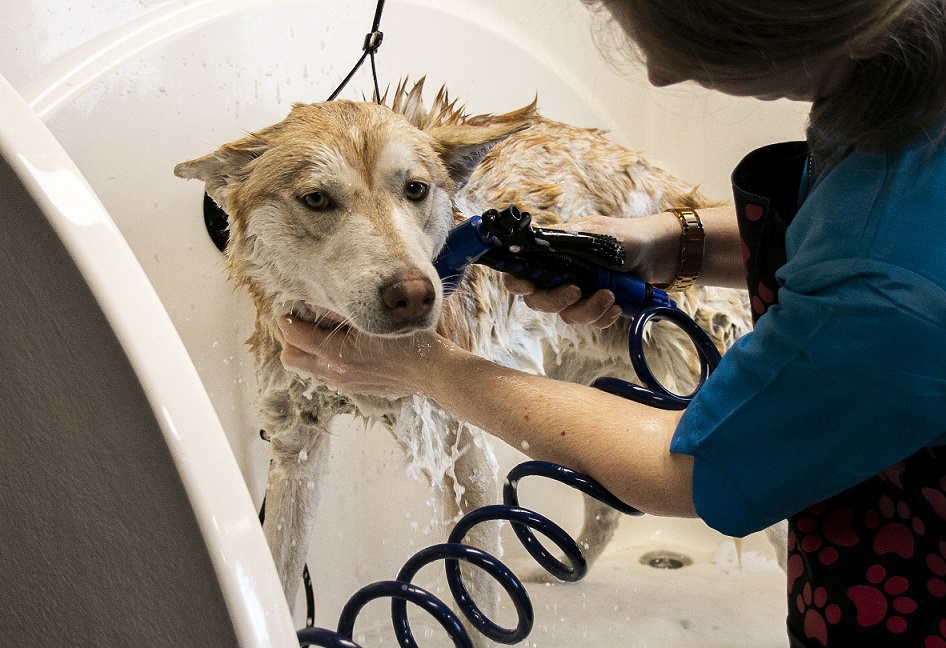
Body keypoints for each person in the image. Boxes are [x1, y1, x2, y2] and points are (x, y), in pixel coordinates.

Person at [277, 1, 946, 645]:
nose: (658, 74)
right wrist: (669, 241)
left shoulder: (886, 282)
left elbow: (690, 469)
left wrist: (428, 367)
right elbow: (834, 219)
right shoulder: (909, 88)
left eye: (696, 35)